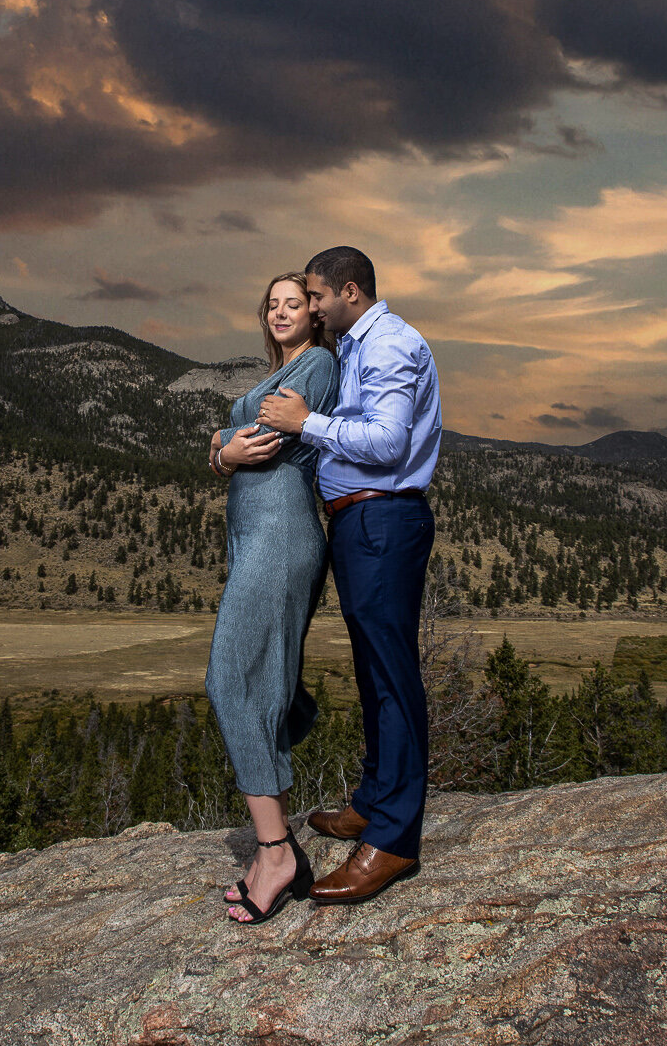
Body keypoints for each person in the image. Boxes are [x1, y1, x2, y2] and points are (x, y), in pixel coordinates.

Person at [257, 245, 440, 906]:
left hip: (383, 520)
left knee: (392, 676)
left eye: (314, 295)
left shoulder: (390, 343)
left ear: (350, 292)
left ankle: (392, 840)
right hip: (360, 523)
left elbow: (388, 442)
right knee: (372, 671)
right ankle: (374, 799)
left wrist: (306, 422)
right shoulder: (355, 346)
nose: (307, 305)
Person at [205, 271, 341, 925]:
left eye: (294, 303)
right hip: (255, 533)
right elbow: (228, 446)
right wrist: (224, 450)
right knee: (258, 676)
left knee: (230, 675)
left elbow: (266, 438)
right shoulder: (275, 372)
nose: (281, 310)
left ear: (313, 316)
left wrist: (227, 447)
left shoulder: (316, 364)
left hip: (282, 532)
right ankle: (273, 843)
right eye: (272, 303)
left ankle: (276, 849)